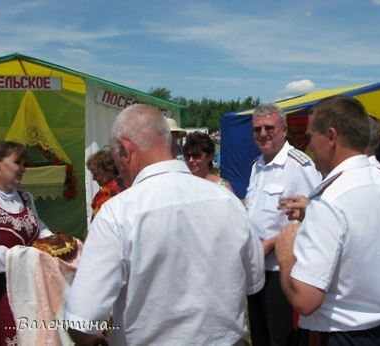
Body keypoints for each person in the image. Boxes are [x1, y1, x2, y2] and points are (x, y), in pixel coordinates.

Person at [65, 104, 265, 345]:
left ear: (127, 150)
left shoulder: (117, 214)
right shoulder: (227, 200)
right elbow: (253, 280)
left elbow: (82, 321)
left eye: (116, 155)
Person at [275, 96, 380, 345]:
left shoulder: (330, 198)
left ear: (331, 136)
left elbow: (305, 300)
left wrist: (285, 257)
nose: (309, 145)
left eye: (310, 135)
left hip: (336, 335)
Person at [245, 103, 322, 346]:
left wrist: (269, 244)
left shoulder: (299, 166)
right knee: (261, 335)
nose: (263, 133)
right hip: (257, 267)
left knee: (283, 338)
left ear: (284, 130)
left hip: (283, 270)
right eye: (257, 129)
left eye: (269, 128)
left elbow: (316, 218)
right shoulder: (257, 165)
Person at [0, 141, 53, 346]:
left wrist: (54, 243)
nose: (23, 168)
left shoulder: (25, 198)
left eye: (24, 163)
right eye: (18, 162)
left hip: (30, 291)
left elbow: (39, 228)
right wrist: (28, 255)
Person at [86, 147, 129, 220]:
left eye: (96, 174)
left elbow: (97, 224)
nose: (94, 178)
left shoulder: (107, 193)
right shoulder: (130, 184)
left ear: (109, 170)